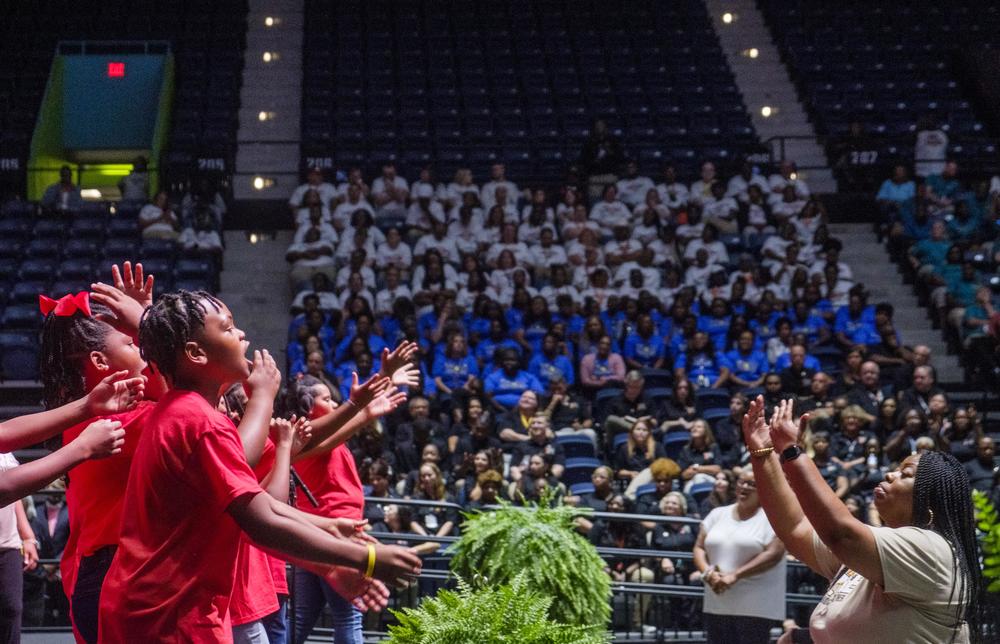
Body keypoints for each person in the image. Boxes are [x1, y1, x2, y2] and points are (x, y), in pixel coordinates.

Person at [97, 291, 422, 640]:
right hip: (167, 615)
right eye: (228, 328)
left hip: (160, 607)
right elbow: (261, 522)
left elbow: (257, 505)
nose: (242, 336)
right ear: (196, 353)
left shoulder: (184, 411)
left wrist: (328, 545)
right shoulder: (198, 421)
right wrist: (366, 559)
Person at [743, 396, 984, 643]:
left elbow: (841, 534)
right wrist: (763, 454)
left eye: (906, 474)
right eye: (896, 468)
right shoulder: (870, 555)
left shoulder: (933, 550)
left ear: (930, 502)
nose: (890, 474)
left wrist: (792, 452)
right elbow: (795, 528)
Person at [691, 468, 787, 643]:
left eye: (752, 484)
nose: (744, 487)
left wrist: (735, 575)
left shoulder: (774, 518)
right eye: (741, 482)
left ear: (764, 489)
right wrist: (708, 573)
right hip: (718, 602)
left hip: (755, 606)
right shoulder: (717, 514)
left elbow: (774, 554)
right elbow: (699, 547)